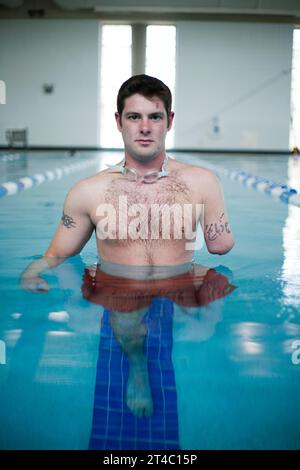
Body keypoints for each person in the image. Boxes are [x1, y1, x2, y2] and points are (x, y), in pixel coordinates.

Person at [20, 74, 234, 291]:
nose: (144, 127)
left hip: (178, 298)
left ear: (170, 121)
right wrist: (31, 273)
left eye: (155, 117)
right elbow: (57, 253)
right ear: (118, 121)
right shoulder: (88, 192)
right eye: (133, 117)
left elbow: (221, 245)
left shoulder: (202, 182)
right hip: (117, 303)